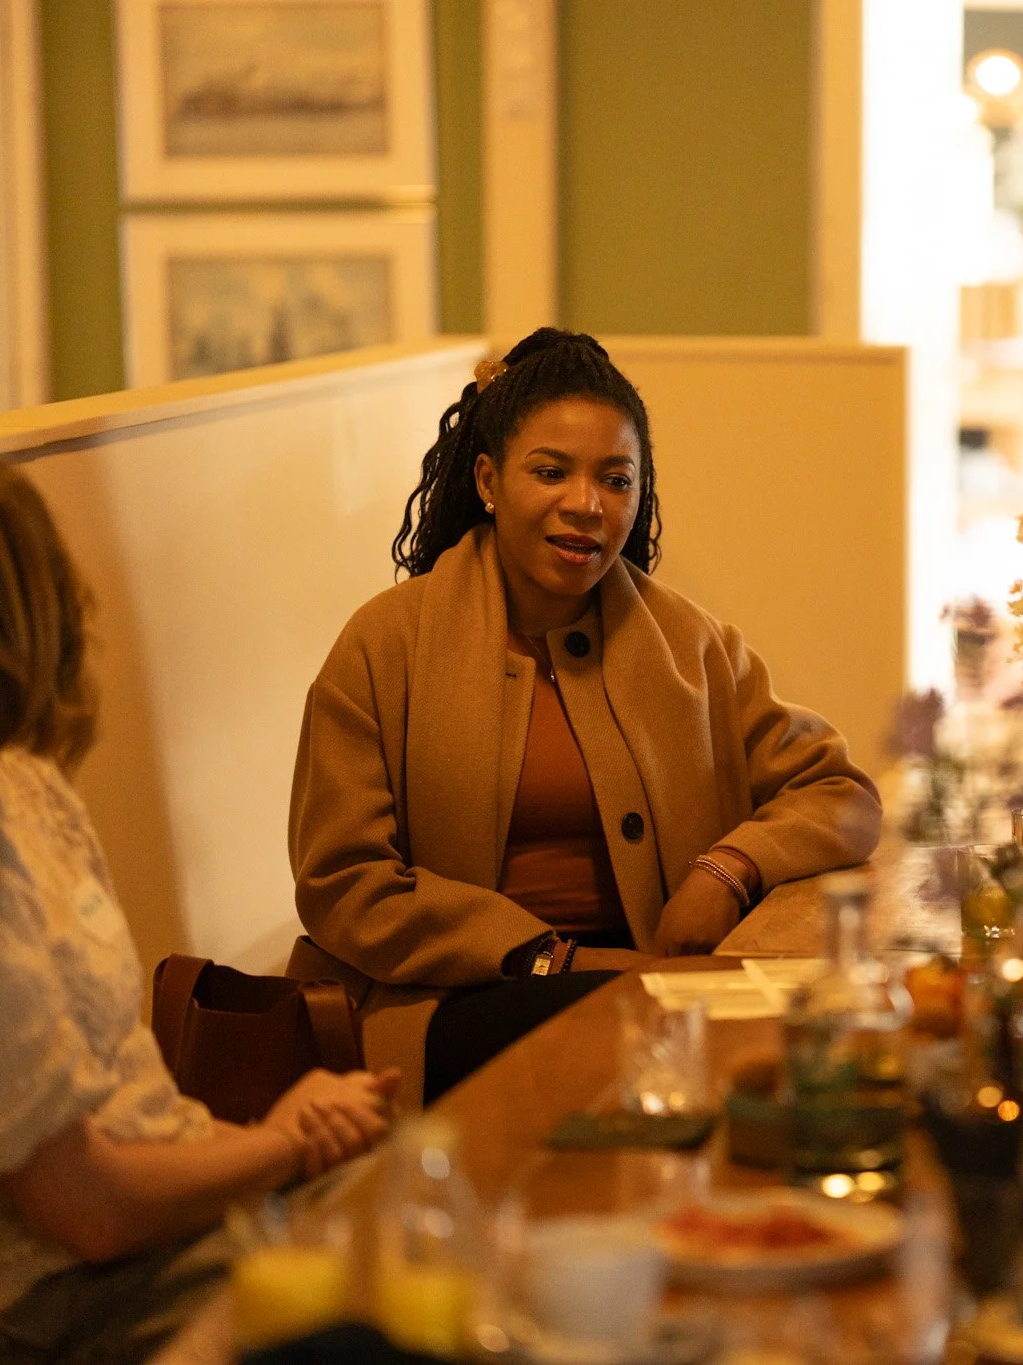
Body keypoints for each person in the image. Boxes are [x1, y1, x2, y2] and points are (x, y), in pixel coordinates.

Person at [289, 328, 883, 1108]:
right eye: (550, 472)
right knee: (672, 1036)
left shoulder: (688, 642)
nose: (585, 505)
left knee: (836, 1024)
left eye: (615, 479)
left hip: (652, 977)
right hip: (449, 1000)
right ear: (488, 480)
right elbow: (343, 882)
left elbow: (839, 793)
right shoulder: (386, 643)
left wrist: (727, 869)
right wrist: (546, 957)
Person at [0, 469, 401, 1364]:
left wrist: (293, 1134)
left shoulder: (34, 792)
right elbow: (88, 1211)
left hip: (160, 1231)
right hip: (73, 1298)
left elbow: (129, 1107)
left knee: (432, 1238)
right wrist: (281, 1142)